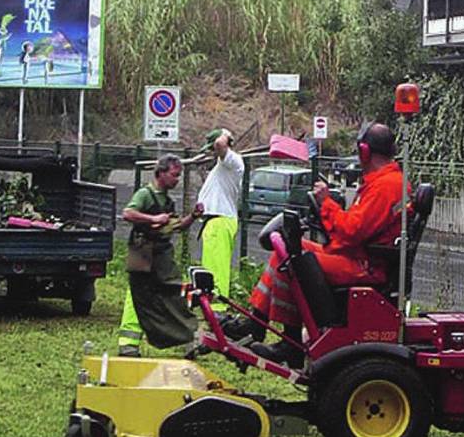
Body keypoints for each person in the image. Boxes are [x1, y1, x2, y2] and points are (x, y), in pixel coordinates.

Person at [224, 122, 405, 368]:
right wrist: (326, 211)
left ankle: (289, 342)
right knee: (288, 249)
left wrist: (326, 203)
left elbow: (353, 231)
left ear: (364, 151)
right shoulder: (384, 182)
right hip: (358, 257)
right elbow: (355, 228)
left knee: (292, 258)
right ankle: (256, 324)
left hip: (364, 266)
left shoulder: (386, 186)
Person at [117, 154, 204, 357]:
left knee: (173, 293)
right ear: (161, 173)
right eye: (174, 175)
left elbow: (177, 227)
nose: (177, 180)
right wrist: (152, 218)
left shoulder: (168, 201)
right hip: (142, 251)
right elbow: (128, 213)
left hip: (162, 254)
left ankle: (187, 338)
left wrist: (193, 216)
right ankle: (129, 346)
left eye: (179, 175)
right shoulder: (145, 195)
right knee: (141, 296)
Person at [194, 127, 244, 313]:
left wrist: (225, 135)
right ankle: (211, 308)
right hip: (214, 223)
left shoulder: (233, 162)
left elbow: (220, 144)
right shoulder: (222, 166)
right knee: (210, 268)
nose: (212, 151)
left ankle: (218, 310)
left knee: (216, 271)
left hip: (220, 221)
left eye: (212, 149)